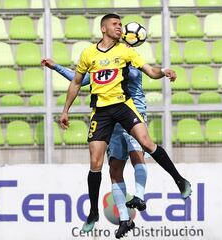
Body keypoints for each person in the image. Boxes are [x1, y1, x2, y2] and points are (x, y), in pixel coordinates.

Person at [59, 13, 192, 238]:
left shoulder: (126, 51)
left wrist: (163, 72)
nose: (119, 28)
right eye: (115, 24)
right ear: (103, 28)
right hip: (101, 112)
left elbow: (150, 71)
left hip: (123, 106)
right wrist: (65, 110)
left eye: (121, 24)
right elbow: (76, 82)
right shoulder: (88, 53)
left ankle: (179, 180)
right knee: (95, 162)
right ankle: (93, 213)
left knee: (146, 143)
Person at [41, 59, 148, 238]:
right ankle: (124, 220)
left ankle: (140, 196)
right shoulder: (105, 63)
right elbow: (80, 80)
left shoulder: (131, 61)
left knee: (137, 155)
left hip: (133, 115)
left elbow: (149, 72)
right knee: (114, 169)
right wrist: (56, 66)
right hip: (111, 121)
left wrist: (164, 70)